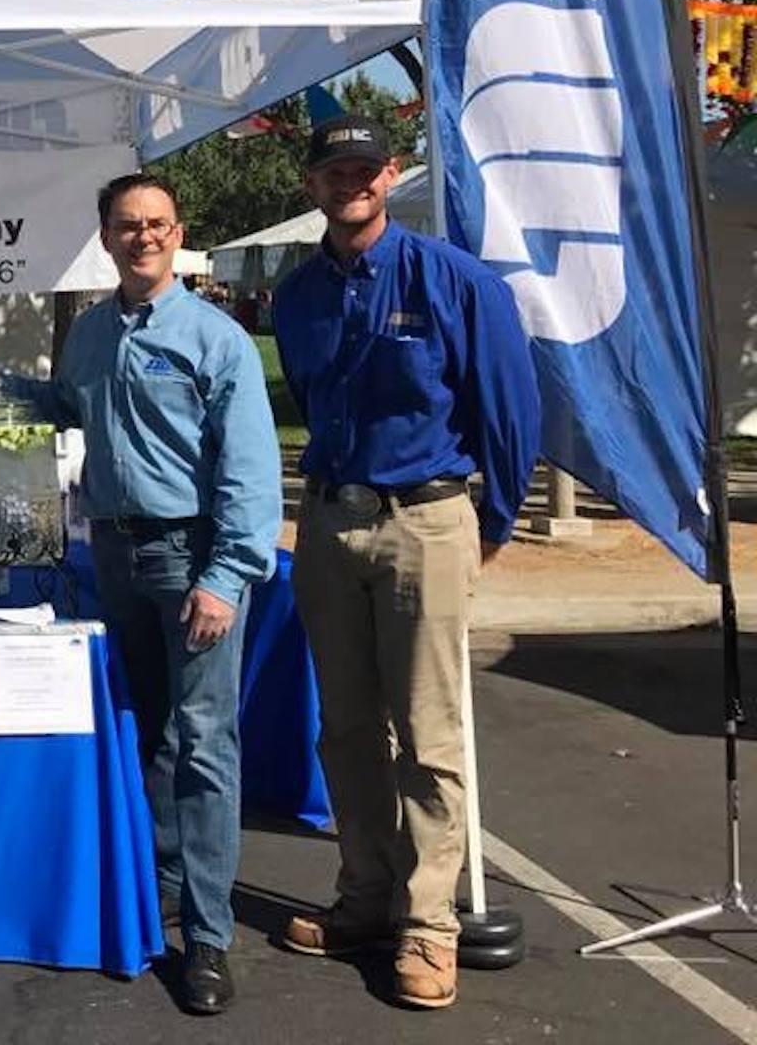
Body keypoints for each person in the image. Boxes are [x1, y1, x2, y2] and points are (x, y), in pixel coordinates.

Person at [0, 172, 280, 1016]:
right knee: (151, 732)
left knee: (205, 743)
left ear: (178, 234)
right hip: (118, 558)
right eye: (129, 225)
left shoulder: (216, 339)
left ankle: (208, 938)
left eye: (158, 224)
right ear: (106, 236)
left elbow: (249, 471)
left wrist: (224, 576)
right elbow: (69, 404)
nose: (144, 237)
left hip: (190, 555)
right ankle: (163, 884)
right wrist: (2, 386)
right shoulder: (93, 334)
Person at [270, 116, 539, 1011]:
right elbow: (309, 397)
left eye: (363, 167)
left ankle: (430, 927)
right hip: (330, 522)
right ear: (312, 184)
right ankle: (367, 898)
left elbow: (507, 409)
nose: (348, 182)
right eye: (331, 170)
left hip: (425, 520)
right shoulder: (298, 293)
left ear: (389, 174)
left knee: (430, 736)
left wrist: (490, 521)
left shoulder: (454, 281)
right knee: (346, 731)